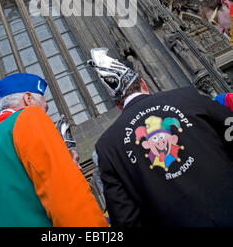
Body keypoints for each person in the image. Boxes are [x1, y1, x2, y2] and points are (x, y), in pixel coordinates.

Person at [89, 48, 233, 227]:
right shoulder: (187, 96)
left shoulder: (108, 148)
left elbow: (126, 221)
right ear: (143, 83)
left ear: (118, 105)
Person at [0, 72, 109, 227]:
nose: (45, 115)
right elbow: (69, 202)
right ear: (28, 99)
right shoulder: (29, 117)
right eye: (45, 109)